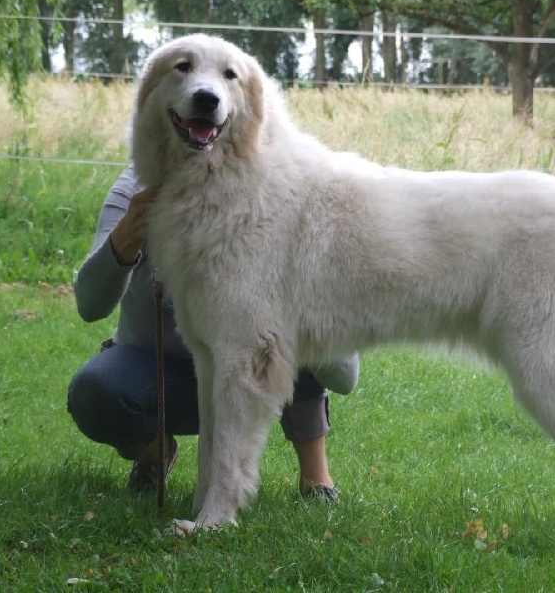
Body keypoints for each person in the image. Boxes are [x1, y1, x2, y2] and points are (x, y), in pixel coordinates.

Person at [67, 166, 359, 500]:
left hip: (252, 376)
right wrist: (125, 237)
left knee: (282, 329)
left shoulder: (287, 192)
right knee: (95, 393)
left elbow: (344, 376)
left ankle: (316, 477)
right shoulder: (137, 185)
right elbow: (90, 306)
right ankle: (154, 452)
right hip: (163, 373)